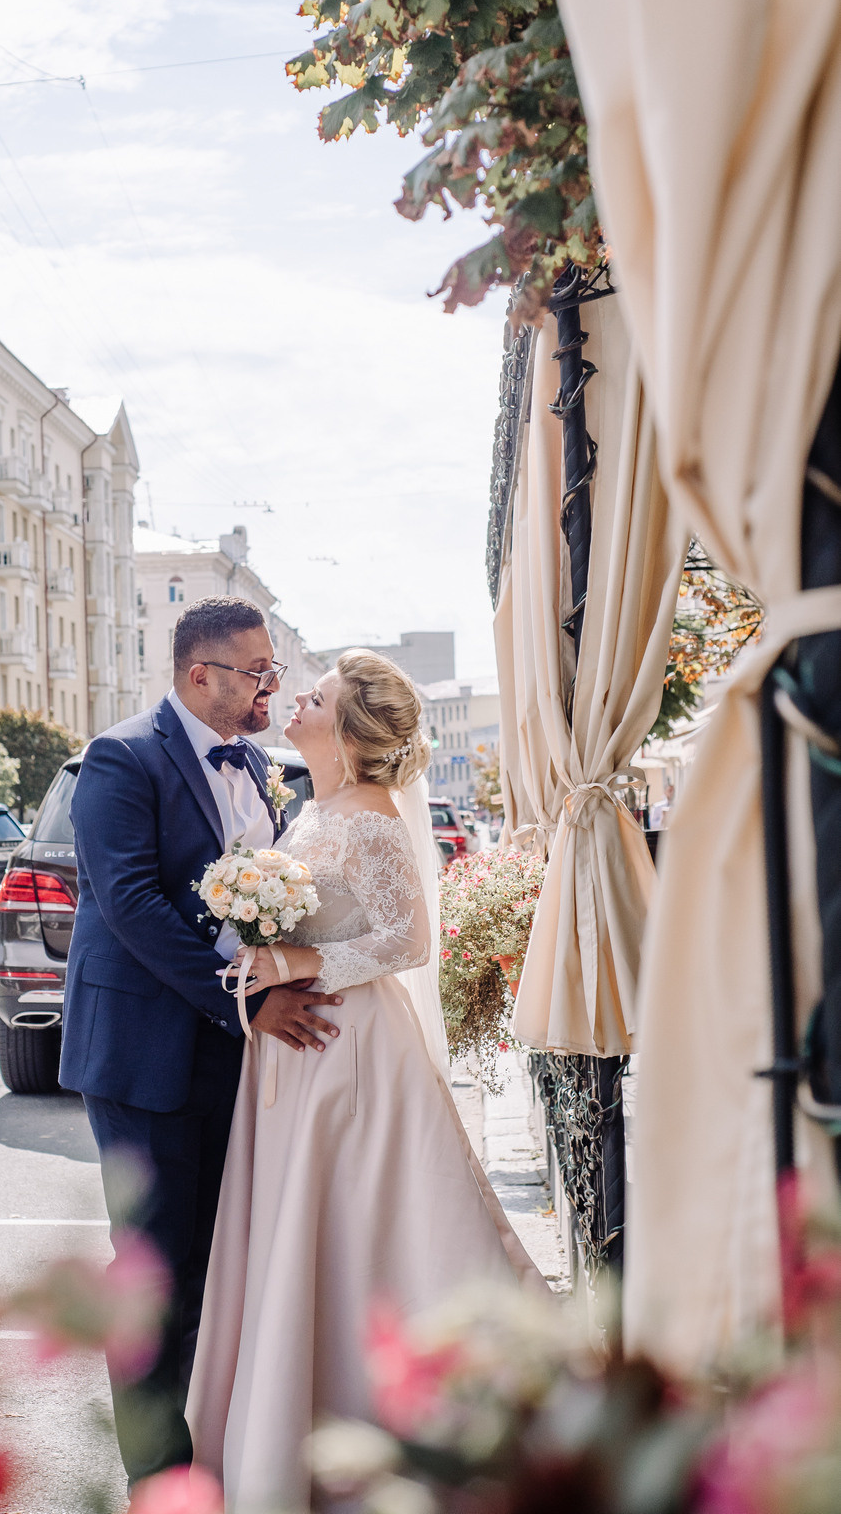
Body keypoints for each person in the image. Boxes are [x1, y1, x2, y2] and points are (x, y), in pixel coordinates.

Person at [187, 649, 546, 1511]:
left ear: (346, 731)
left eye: (313, 695)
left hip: (347, 1053)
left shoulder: (372, 816)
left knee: (358, 1230)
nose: (291, 698)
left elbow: (407, 940)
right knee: (308, 1231)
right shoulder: (316, 807)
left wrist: (298, 957)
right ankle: (297, 1424)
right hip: (296, 1048)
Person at [61, 596, 345, 1487]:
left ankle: (215, 1456)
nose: (271, 685)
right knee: (152, 1274)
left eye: (274, 671)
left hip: (236, 1057)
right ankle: (156, 1483)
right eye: (258, 671)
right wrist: (244, 1002)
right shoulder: (121, 758)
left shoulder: (259, 765)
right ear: (200, 675)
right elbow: (132, 903)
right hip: (145, 1057)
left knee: (217, 1269)